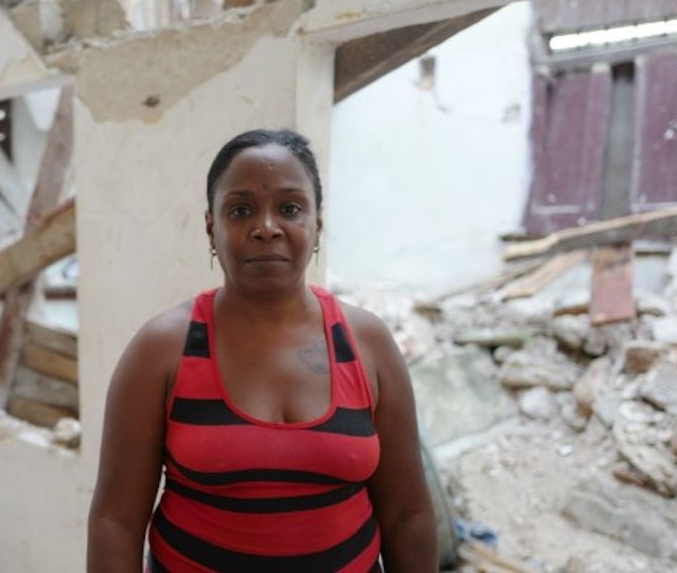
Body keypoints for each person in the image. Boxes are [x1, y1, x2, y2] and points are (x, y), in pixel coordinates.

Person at [87, 129, 437, 572]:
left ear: (318, 223)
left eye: (290, 208)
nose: (266, 227)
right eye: (240, 210)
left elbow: (408, 515)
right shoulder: (162, 350)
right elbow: (115, 522)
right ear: (211, 227)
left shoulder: (368, 344)